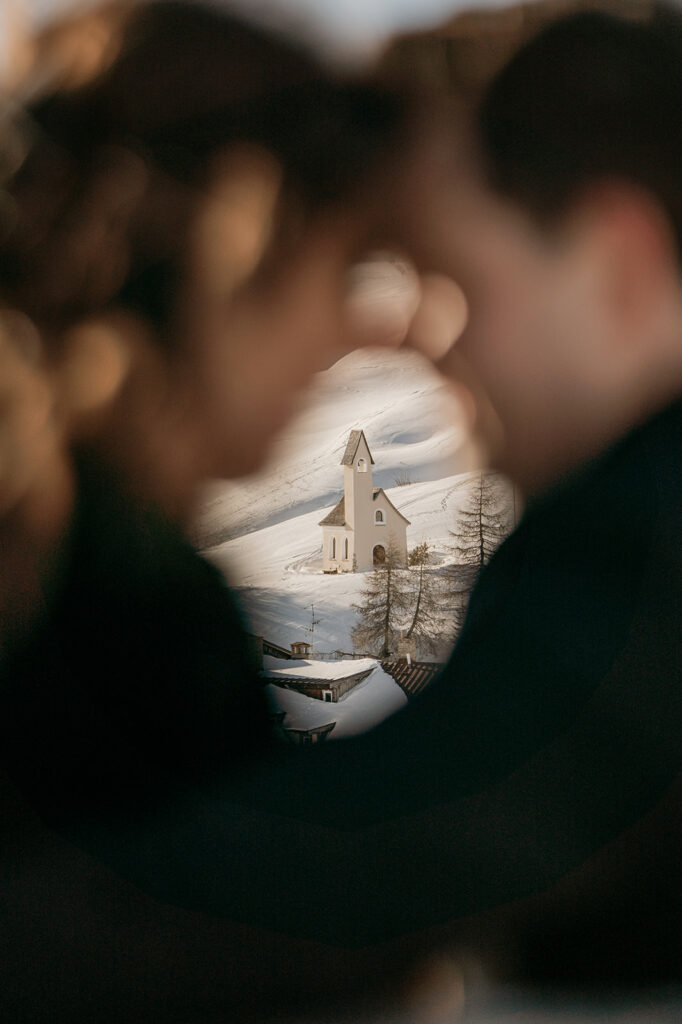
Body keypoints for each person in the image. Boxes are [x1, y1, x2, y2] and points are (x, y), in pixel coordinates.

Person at [49, 5, 682, 1016]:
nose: (420, 337)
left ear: (620, 262)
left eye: (461, 280)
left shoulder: (645, 554)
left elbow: (368, 860)